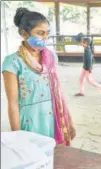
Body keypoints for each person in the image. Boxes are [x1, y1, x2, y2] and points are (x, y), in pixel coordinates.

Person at [2, 8, 76, 146]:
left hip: (53, 119)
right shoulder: (12, 62)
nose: (45, 38)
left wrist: (69, 120)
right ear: (24, 34)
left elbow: (58, 92)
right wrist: (16, 136)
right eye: (40, 33)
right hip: (30, 122)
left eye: (47, 33)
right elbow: (12, 103)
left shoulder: (49, 57)